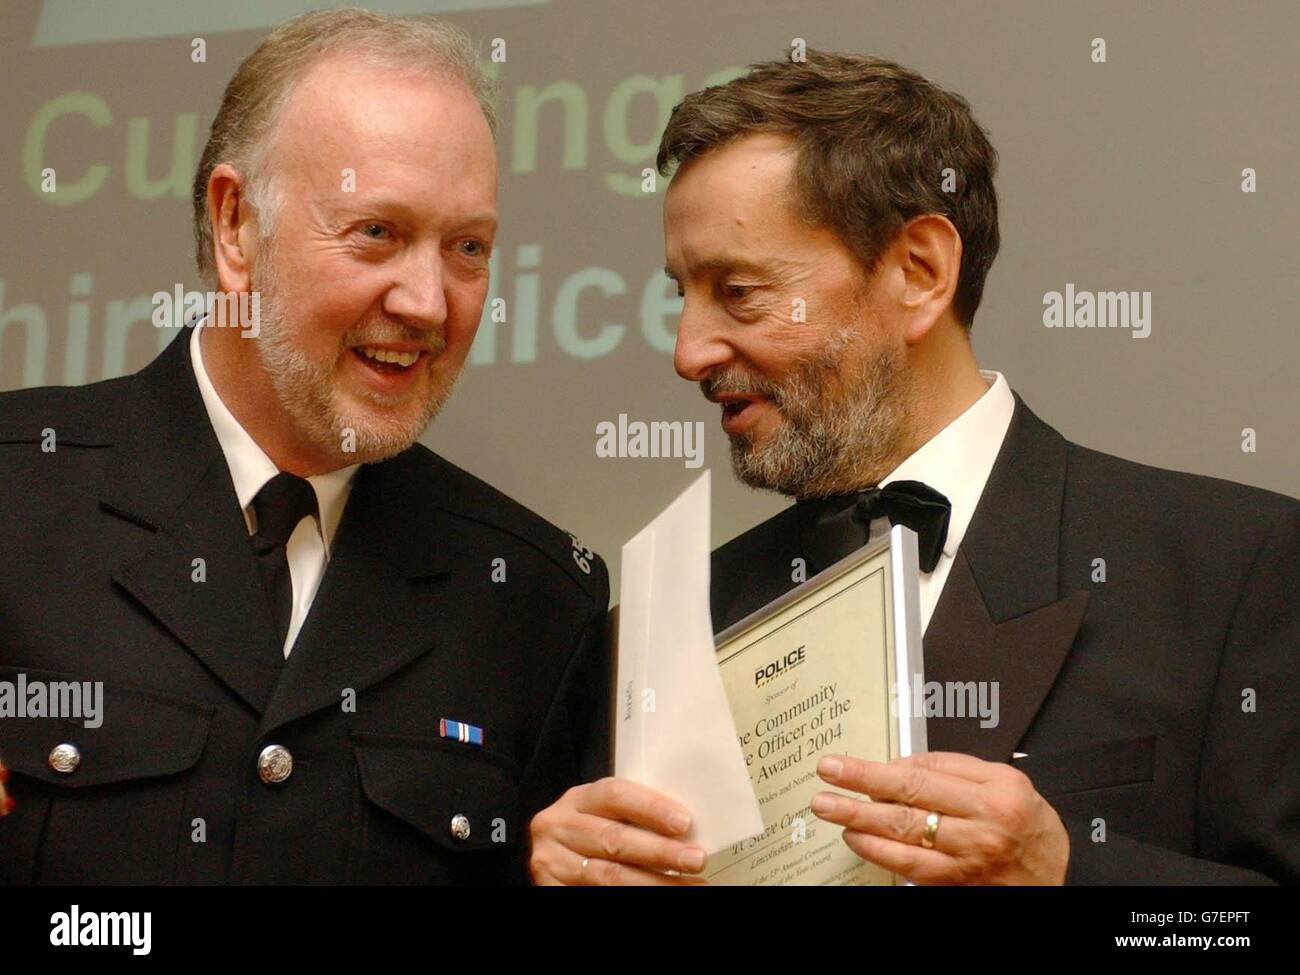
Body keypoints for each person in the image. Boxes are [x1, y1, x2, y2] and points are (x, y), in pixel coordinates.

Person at [529, 51, 1298, 885]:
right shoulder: (657, 635)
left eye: (741, 291)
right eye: (681, 293)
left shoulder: (1235, 570)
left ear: (920, 272)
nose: (688, 352)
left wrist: (1064, 870)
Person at [0, 9, 607, 885]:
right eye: (378, 233)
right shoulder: (20, 492)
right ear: (237, 224)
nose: (429, 303)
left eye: (468, 247)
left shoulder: (537, 601)